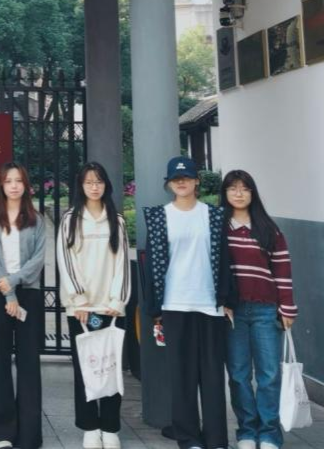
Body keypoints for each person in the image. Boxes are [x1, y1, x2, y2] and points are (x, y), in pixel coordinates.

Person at [140, 156, 234, 449]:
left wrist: (227, 300)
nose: (181, 182)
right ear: (169, 184)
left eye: (186, 177)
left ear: (196, 181)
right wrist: (155, 309)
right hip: (174, 304)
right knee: (182, 376)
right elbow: (151, 266)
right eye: (175, 178)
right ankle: (188, 437)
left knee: (212, 375)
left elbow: (225, 260)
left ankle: (216, 438)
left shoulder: (214, 215)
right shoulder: (159, 217)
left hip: (209, 304)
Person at [222, 170, 297, 449]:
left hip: (266, 310)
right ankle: (246, 432)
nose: (239, 193)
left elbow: (282, 270)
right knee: (239, 375)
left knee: (269, 375)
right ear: (225, 193)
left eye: (244, 188)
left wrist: (287, 308)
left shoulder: (268, 229)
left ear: (252, 193)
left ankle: (268, 434)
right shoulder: (219, 228)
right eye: (233, 188)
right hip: (233, 313)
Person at [57, 162, 130, 449]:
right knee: (84, 368)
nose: (94, 187)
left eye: (99, 182)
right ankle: (90, 427)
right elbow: (66, 261)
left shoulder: (117, 220)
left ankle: (110, 427)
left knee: (111, 367)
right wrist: (79, 300)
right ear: (81, 186)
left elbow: (122, 263)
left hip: (111, 308)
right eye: (89, 182)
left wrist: (116, 300)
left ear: (106, 185)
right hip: (81, 309)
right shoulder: (71, 220)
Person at [0, 162, 46, 449]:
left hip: (28, 293)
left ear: (26, 185)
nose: (14, 186)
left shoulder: (37, 219)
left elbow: (38, 259)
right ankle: (0, 432)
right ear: (1, 185)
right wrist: (8, 294)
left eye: (19, 180)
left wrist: (14, 282)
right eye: (8, 181)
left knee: (29, 362)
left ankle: (29, 434)